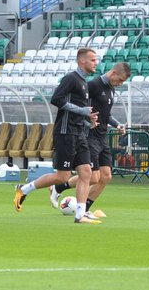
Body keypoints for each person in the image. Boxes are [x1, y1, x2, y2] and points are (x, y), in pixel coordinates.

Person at [14, 47, 101, 224]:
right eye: (92, 60)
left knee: (86, 173)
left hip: (79, 133)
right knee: (62, 177)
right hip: (65, 133)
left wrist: (87, 121)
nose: (96, 63)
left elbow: (76, 112)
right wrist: (82, 110)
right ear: (82, 61)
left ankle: (80, 215)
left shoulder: (84, 83)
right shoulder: (71, 79)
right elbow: (56, 100)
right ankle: (24, 189)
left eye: (96, 60)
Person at [48, 61, 132, 219]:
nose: (121, 84)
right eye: (120, 80)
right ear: (113, 73)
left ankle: (80, 204)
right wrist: (86, 122)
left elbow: (105, 114)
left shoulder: (111, 90)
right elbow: (81, 107)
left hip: (102, 137)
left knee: (106, 176)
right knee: (93, 177)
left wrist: (117, 124)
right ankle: (73, 201)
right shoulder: (93, 85)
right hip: (89, 135)